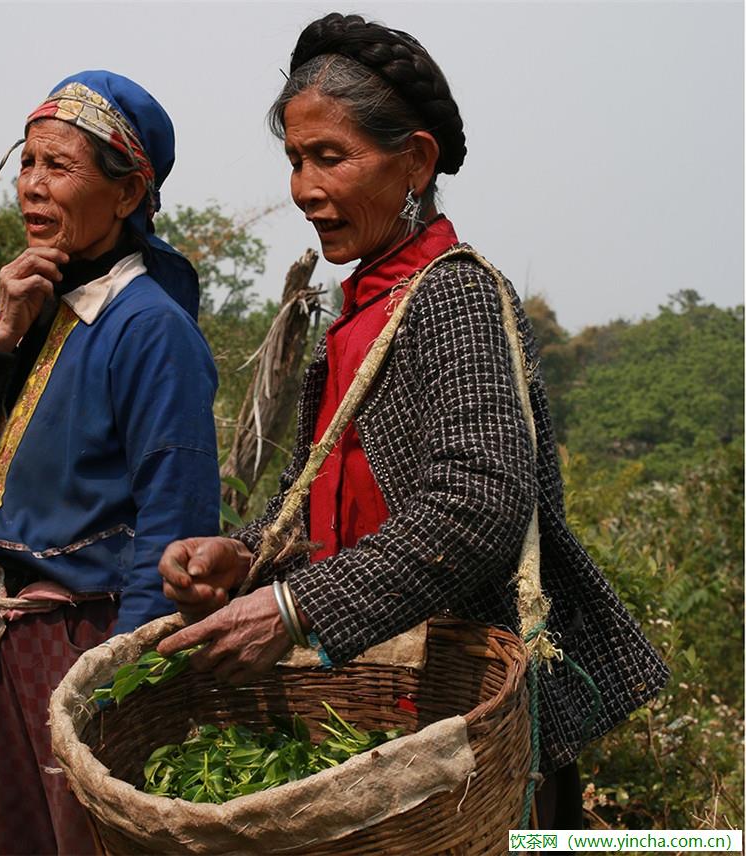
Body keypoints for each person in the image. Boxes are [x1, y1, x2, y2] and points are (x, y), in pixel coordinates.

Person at [156, 13, 668, 829]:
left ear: (415, 162)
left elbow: (478, 507)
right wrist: (245, 553)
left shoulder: (454, 296)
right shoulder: (359, 313)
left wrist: (294, 610)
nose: (304, 188)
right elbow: (315, 498)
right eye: (295, 159)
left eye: (331, 156)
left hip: (466, 713)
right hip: (373, 704)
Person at [0, 71, 220, 854]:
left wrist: (121, 688)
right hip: (5, 641)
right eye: (28, 162)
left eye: (60, 167)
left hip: (86, 647)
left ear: (126, 197)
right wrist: (0, 338)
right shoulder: (31, 303)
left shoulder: (151, 329)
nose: (33, 187)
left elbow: (175, 524)